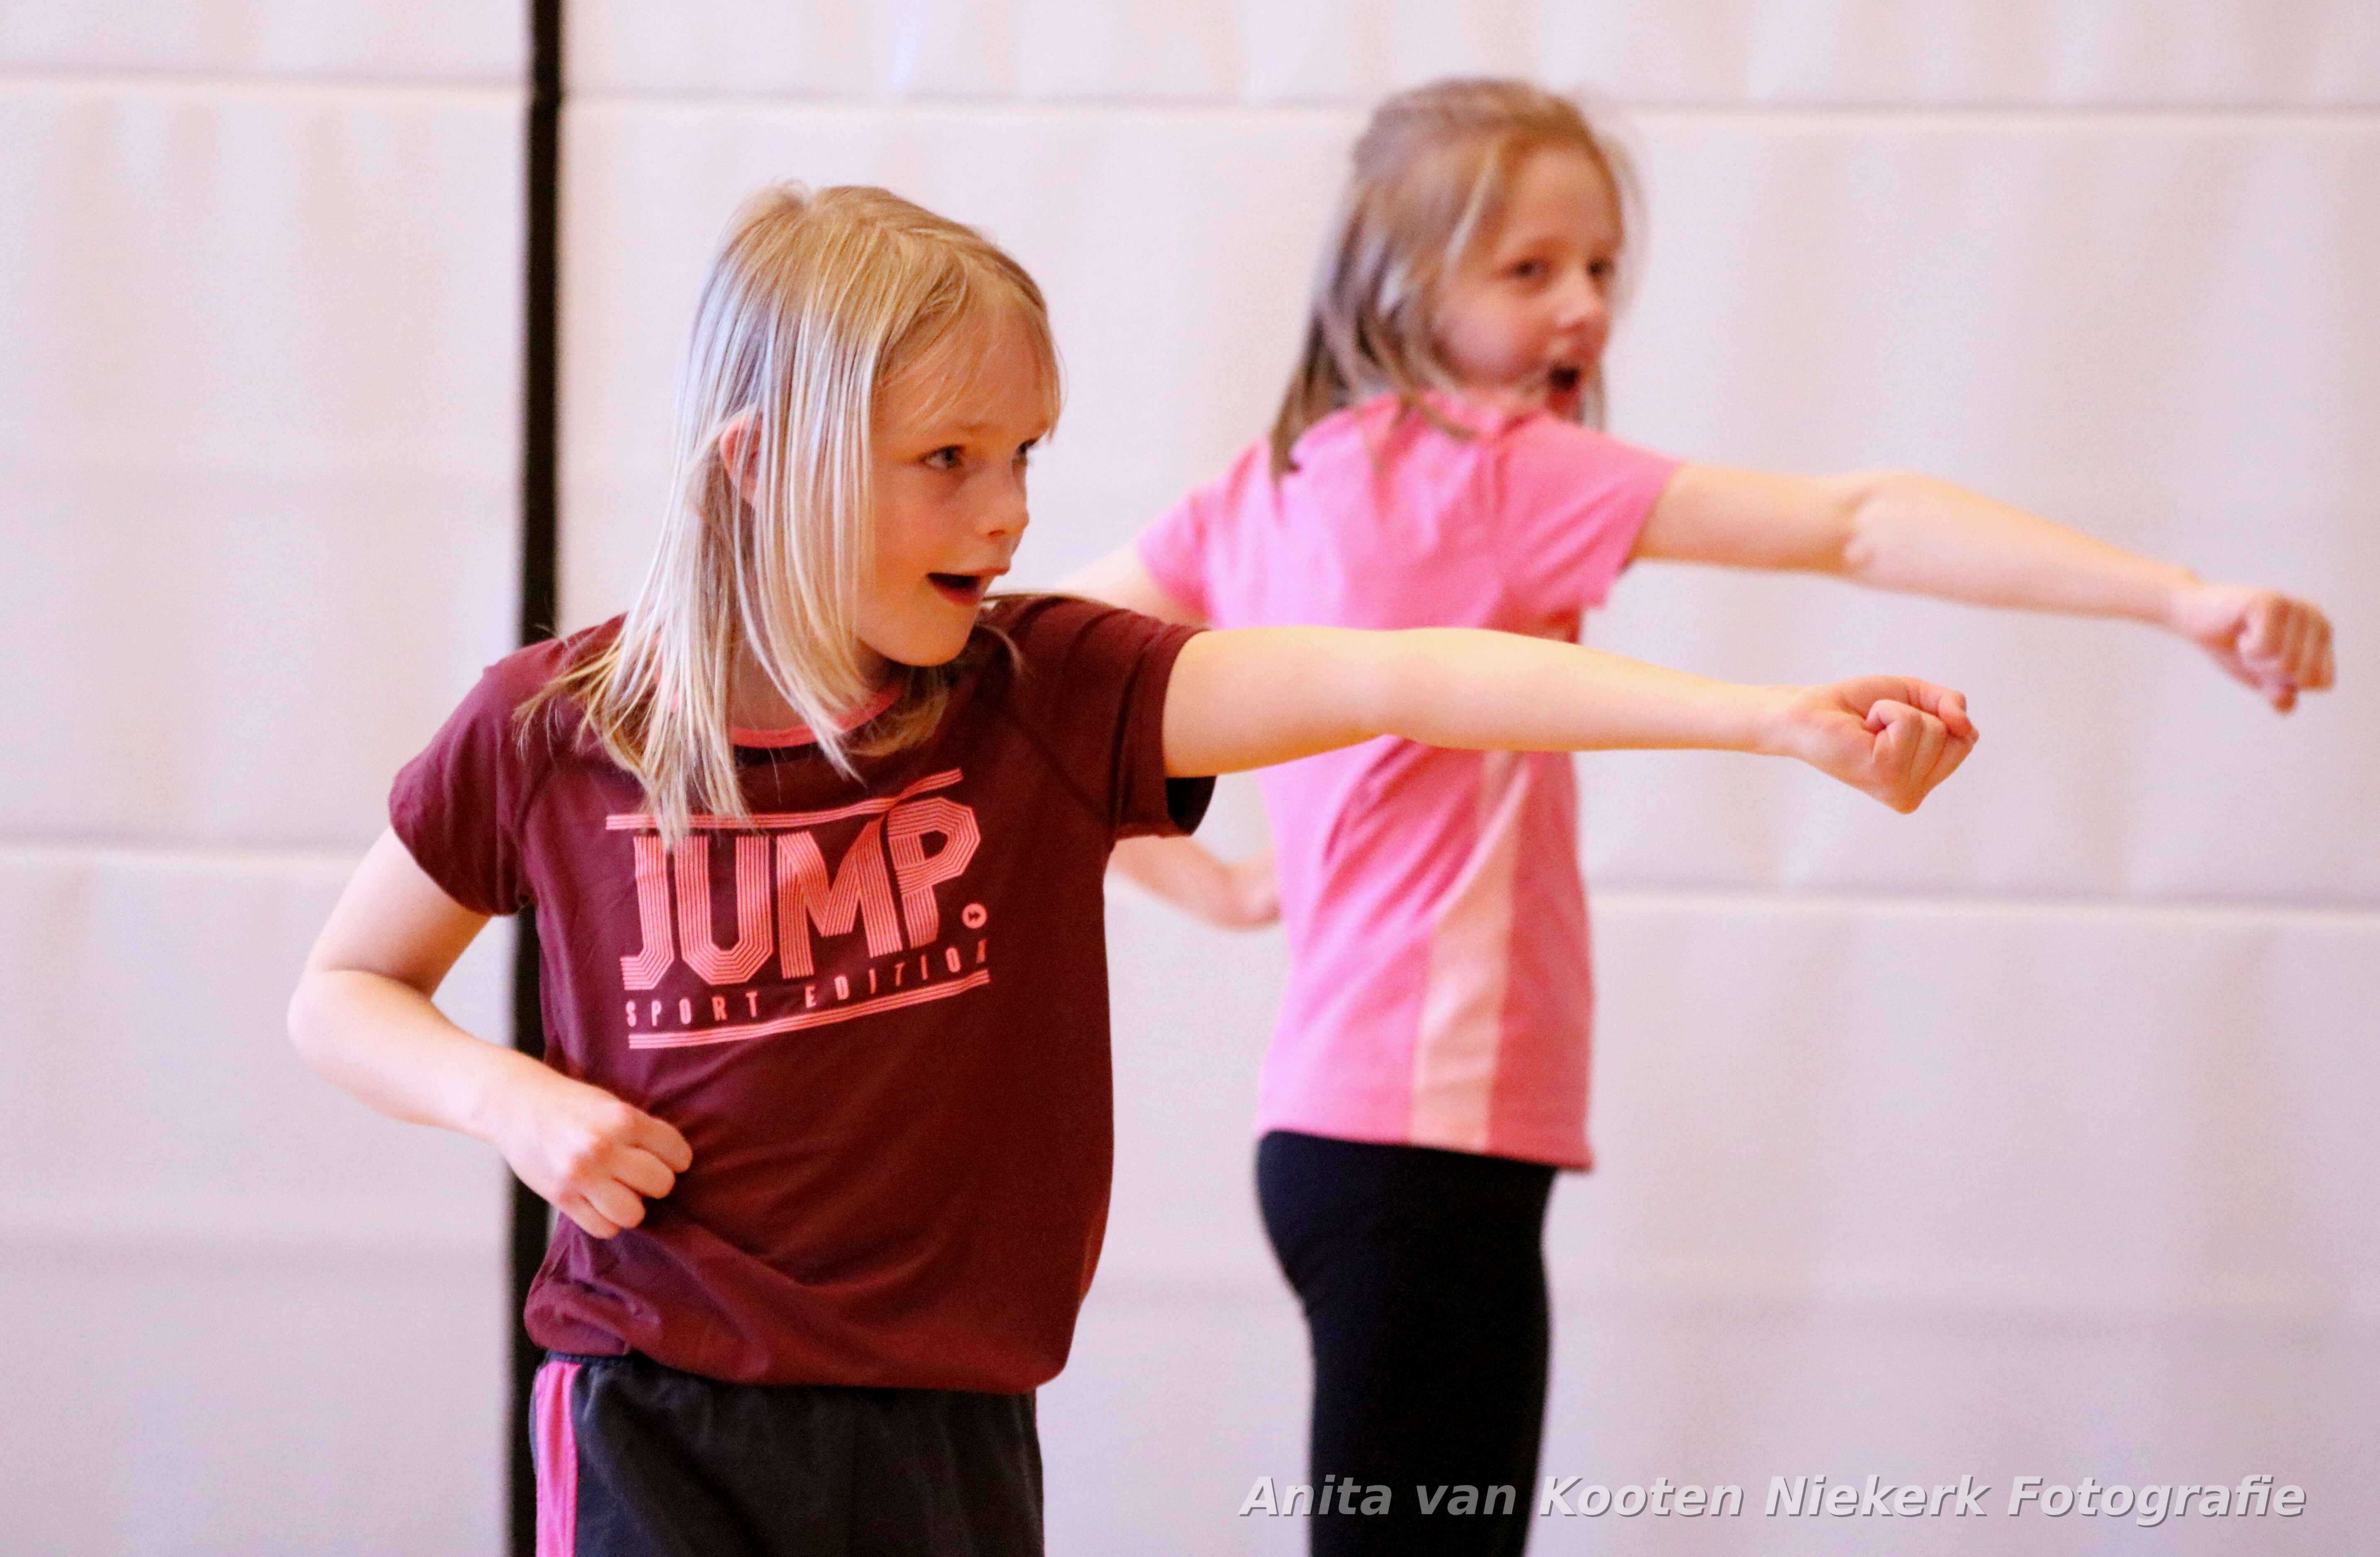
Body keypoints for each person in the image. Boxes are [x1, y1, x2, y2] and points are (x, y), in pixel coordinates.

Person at [285, 182, 1973, 1556]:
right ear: (759, 463)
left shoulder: (1050, 692)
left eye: (1026, 452)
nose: (1009, 510)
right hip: (667, 1405)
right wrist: (510, 1102)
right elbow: (346, 991)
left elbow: (1409, 670)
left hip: (959, 1416)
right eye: (947, 459)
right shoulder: (552, 729)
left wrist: (1767, 719)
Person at [1064, 78, 2336, 1557]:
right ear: (1397, 284)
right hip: (1428, 1147)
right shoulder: (1496, 470)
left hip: (1327, 1146)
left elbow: (1017, 668)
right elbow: (1857, 523)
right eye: (1528, 270)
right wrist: (2181, 598)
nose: (1585, 307)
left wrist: (1210, 882)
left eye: (1601, 267)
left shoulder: (1257, 492)